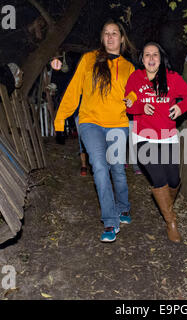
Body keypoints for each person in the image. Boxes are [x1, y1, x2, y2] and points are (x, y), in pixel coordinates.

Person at [54, 20, 136, 242]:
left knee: (117, 169)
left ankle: (124, 207)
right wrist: (60, 120)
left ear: (122, 38)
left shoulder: (129, 68)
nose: (110, 37)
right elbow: (73, 91)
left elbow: (135, 92)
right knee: (99, 167)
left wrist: (132, 99)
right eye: (106, 33)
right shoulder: (89, 59)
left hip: (118, 123)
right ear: (102, 38)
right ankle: (110, 222)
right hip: (90, 123)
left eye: (114, 33)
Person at [124, 42, 187, 243]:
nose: (151, 58)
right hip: (143, 138)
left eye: (155, 54)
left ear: (160, 57)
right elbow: (129, 105)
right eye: (147, 54)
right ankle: (171, 222)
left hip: (167, 137)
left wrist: (181, 108)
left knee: (173, 180)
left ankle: (166, 206)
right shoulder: (136, 79)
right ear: (142, 59)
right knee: (159, 179)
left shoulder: (172, 78)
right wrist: (140, 106)